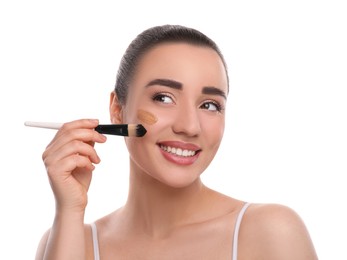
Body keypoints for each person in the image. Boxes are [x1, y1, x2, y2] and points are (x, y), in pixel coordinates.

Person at [35, 24, 317, 259]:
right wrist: (70, 210)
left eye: (209, 105)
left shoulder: (270, 231)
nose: (189, 126)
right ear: (118, 109)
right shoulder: (70, 240)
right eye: (164, 98)